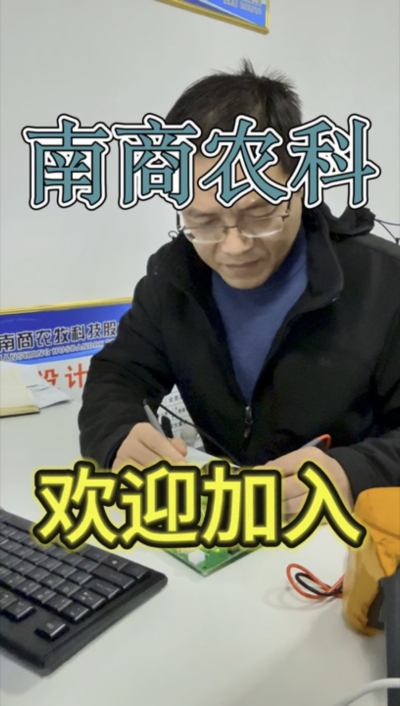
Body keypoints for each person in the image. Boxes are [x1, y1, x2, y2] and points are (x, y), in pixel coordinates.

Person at [78, 61, 400, 516]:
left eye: (259, 214)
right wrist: (118, 437)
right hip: (229, 531)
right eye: (204, 221)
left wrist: (355, 472)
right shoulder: (173, 278)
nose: (233, 247)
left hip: (350, 535)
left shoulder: (384, 283)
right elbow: (117, 374)